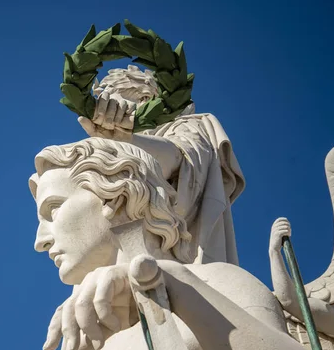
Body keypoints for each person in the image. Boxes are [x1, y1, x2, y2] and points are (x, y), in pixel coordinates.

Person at [29, 137, 334, 350]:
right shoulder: (74, 347)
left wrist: (164, 285)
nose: (40, 241)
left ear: (118, 196)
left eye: (53, 209)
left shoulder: (218, 286)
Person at [78, 65, 245, 265]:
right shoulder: (113, 149)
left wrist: (126, 139)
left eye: (111, 98)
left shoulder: (187, 126)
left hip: (185, 261)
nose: (105, 108)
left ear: (145, 98)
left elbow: (181, 161)